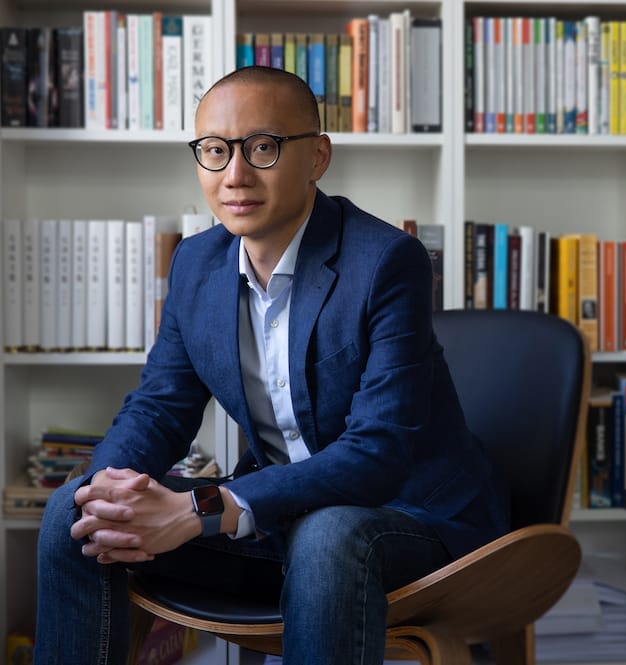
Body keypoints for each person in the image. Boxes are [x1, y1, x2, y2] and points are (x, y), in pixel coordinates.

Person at [35, 66, 509, 665]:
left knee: (328, 534)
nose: (234, 175)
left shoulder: (387, 262)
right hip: (281, 521)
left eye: (263, 148)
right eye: (214, 150)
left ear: (317, 156)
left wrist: (200, 510)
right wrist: (111, 492)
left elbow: (378, 450)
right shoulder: (196, 265)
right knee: (71, 512)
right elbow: (160, 407)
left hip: (414, 520)